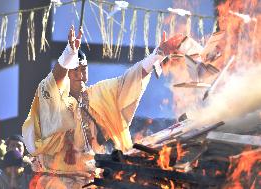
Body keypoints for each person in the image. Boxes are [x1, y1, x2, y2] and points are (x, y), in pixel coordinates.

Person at [22, 25, 185, 188]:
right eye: (74, 70)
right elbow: (51, 84)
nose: (80, 75)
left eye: (83, 69)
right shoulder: (53, 101)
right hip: (56, 179)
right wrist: (68, 54)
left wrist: (158, 55)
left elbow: (128, 81)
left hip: (93, 179)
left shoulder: (98, 94)